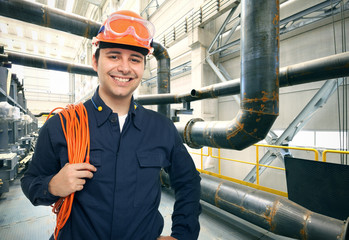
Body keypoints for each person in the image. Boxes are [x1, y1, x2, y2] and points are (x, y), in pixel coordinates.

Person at [21, 10, 201, 240]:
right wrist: (52, 186)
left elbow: (189, 182)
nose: (125, 68)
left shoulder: (161, 129)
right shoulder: (61, 125)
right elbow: (30, 181)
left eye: (134, 59)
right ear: (95, 61)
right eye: (114, 56)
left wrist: (182, 234)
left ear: (143, 67)